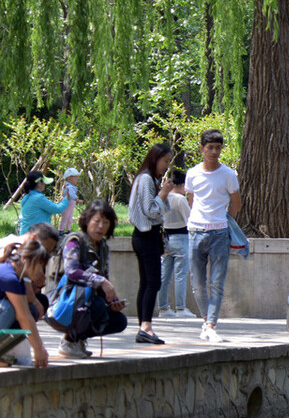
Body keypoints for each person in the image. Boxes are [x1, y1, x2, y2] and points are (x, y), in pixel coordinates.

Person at [185, 129, 241, 343]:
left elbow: (236, 203)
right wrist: (196, 219)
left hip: (219, 232)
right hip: (195, 231)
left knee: (217, 282)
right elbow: (191, 199)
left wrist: (225, 222)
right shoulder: (192, 173)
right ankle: (205, 319)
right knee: (197, 283)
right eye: (210, 147)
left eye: (218, 147)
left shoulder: (228, 174)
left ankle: (211, 325)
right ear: (202, 149)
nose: (214, 151)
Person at [56, 200, 129, 357]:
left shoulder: (103, 247)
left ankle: (79, 338)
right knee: (97, 305)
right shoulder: (75, 241)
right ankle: (68, 341)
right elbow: (71, 271)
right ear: (87, 221)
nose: (101, 226)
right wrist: (100, 281)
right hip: (69, 299)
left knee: (119, 320)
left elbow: (105, 276)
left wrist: (113, 300)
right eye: (97, 221)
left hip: (91, 299)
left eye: (105, 222)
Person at [129, 143, 172, 345]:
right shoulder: (146, 178)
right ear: (155, 159)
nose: (166, 166)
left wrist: (163, 193)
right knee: (152, 281)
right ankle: (145, 327)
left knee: (147, 282)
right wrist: (162, 194)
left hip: (148, 236)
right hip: (146, 236)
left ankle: (144, 328)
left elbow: (162, 209)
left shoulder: (150, 178)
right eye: (165, 161)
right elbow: (151, 210)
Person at [0, 239, 51, 367]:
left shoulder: (18, 278)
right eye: (39, 265)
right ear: (25, 260)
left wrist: (40, 347)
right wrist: (37, 349)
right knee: (9, 308)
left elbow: (27, 314)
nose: (40, 272)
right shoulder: (9, 277)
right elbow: (22, 316)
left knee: (31, 309)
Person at [158, 170, 195, 318]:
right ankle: (180, 308)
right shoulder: (180, 199)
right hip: (181, 237)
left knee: (164, 276)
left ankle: (163, 308)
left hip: (166, 238)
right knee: (181, 274)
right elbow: (190, 219)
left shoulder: (163, 197)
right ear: (183, 185)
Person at [17, 170, 69, 235]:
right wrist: (67, 198)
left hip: (25, 234)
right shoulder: (38, 198)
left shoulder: (27, 196)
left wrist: (60, 203)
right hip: (35, 237)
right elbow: (58, 209)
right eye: (43, 182)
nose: (45, 184)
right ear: (39, 182)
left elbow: (47, 210)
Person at [60, 167, 81, 233]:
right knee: (65, 217)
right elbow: (72, 195)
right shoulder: (70, 187)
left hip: (71, 205)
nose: (77, 180)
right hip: (67, 204)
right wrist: (78, 200)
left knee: (69, 217)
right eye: (76, 178)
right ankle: (61, 230)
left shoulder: (72, 186)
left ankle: (68, 230)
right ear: (69, 178)